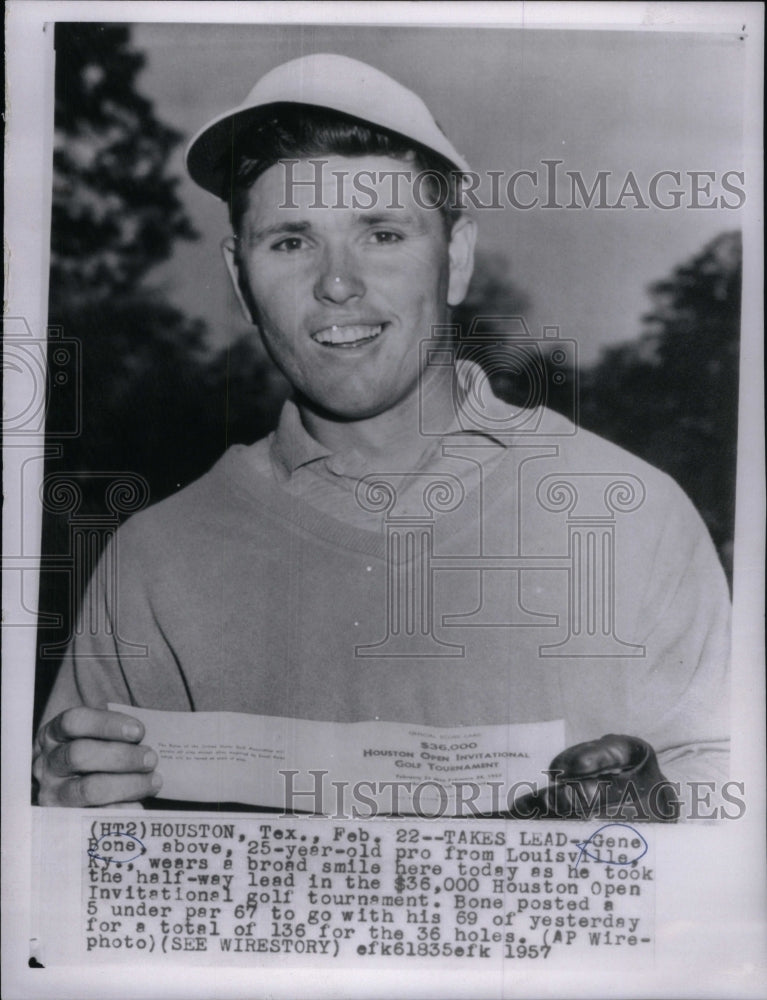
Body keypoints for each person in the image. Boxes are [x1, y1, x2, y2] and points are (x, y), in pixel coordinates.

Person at [33, 54, 731, 818]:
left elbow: (732, 833)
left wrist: (664, 821)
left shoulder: (632, 515)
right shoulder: (152, 560)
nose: (337, 283)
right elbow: (80, 887)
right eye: (291, 242)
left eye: (382, 233)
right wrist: (65, 832)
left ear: (455, 257)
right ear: (240, 281)